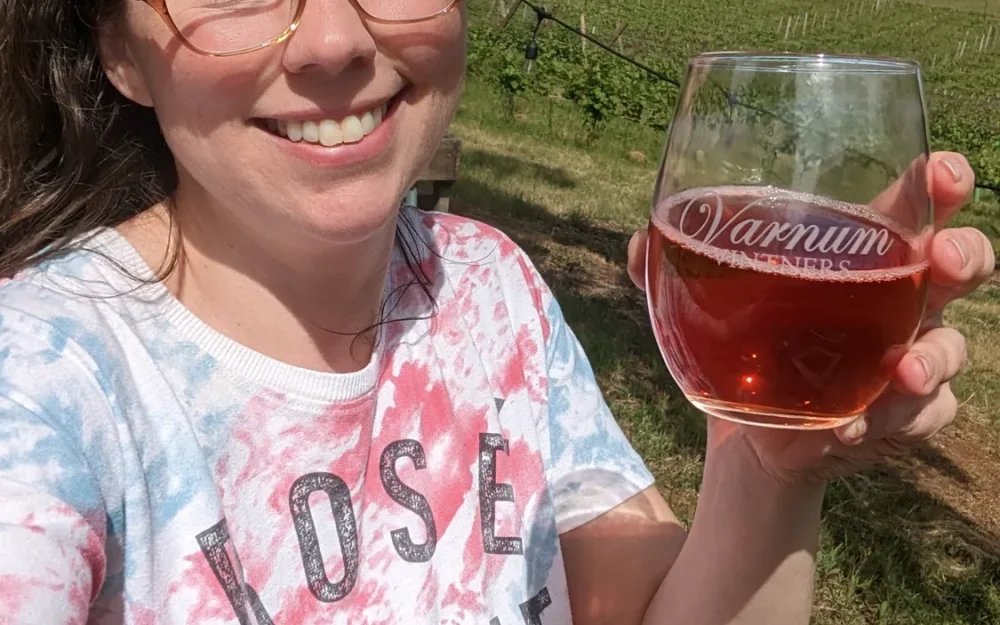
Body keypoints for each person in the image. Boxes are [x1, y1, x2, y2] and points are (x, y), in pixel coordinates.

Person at [0, 0, 993, 623]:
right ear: (117, 50)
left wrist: (766, 471)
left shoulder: (491, 287)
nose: (337, 40)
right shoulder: (41, 381)